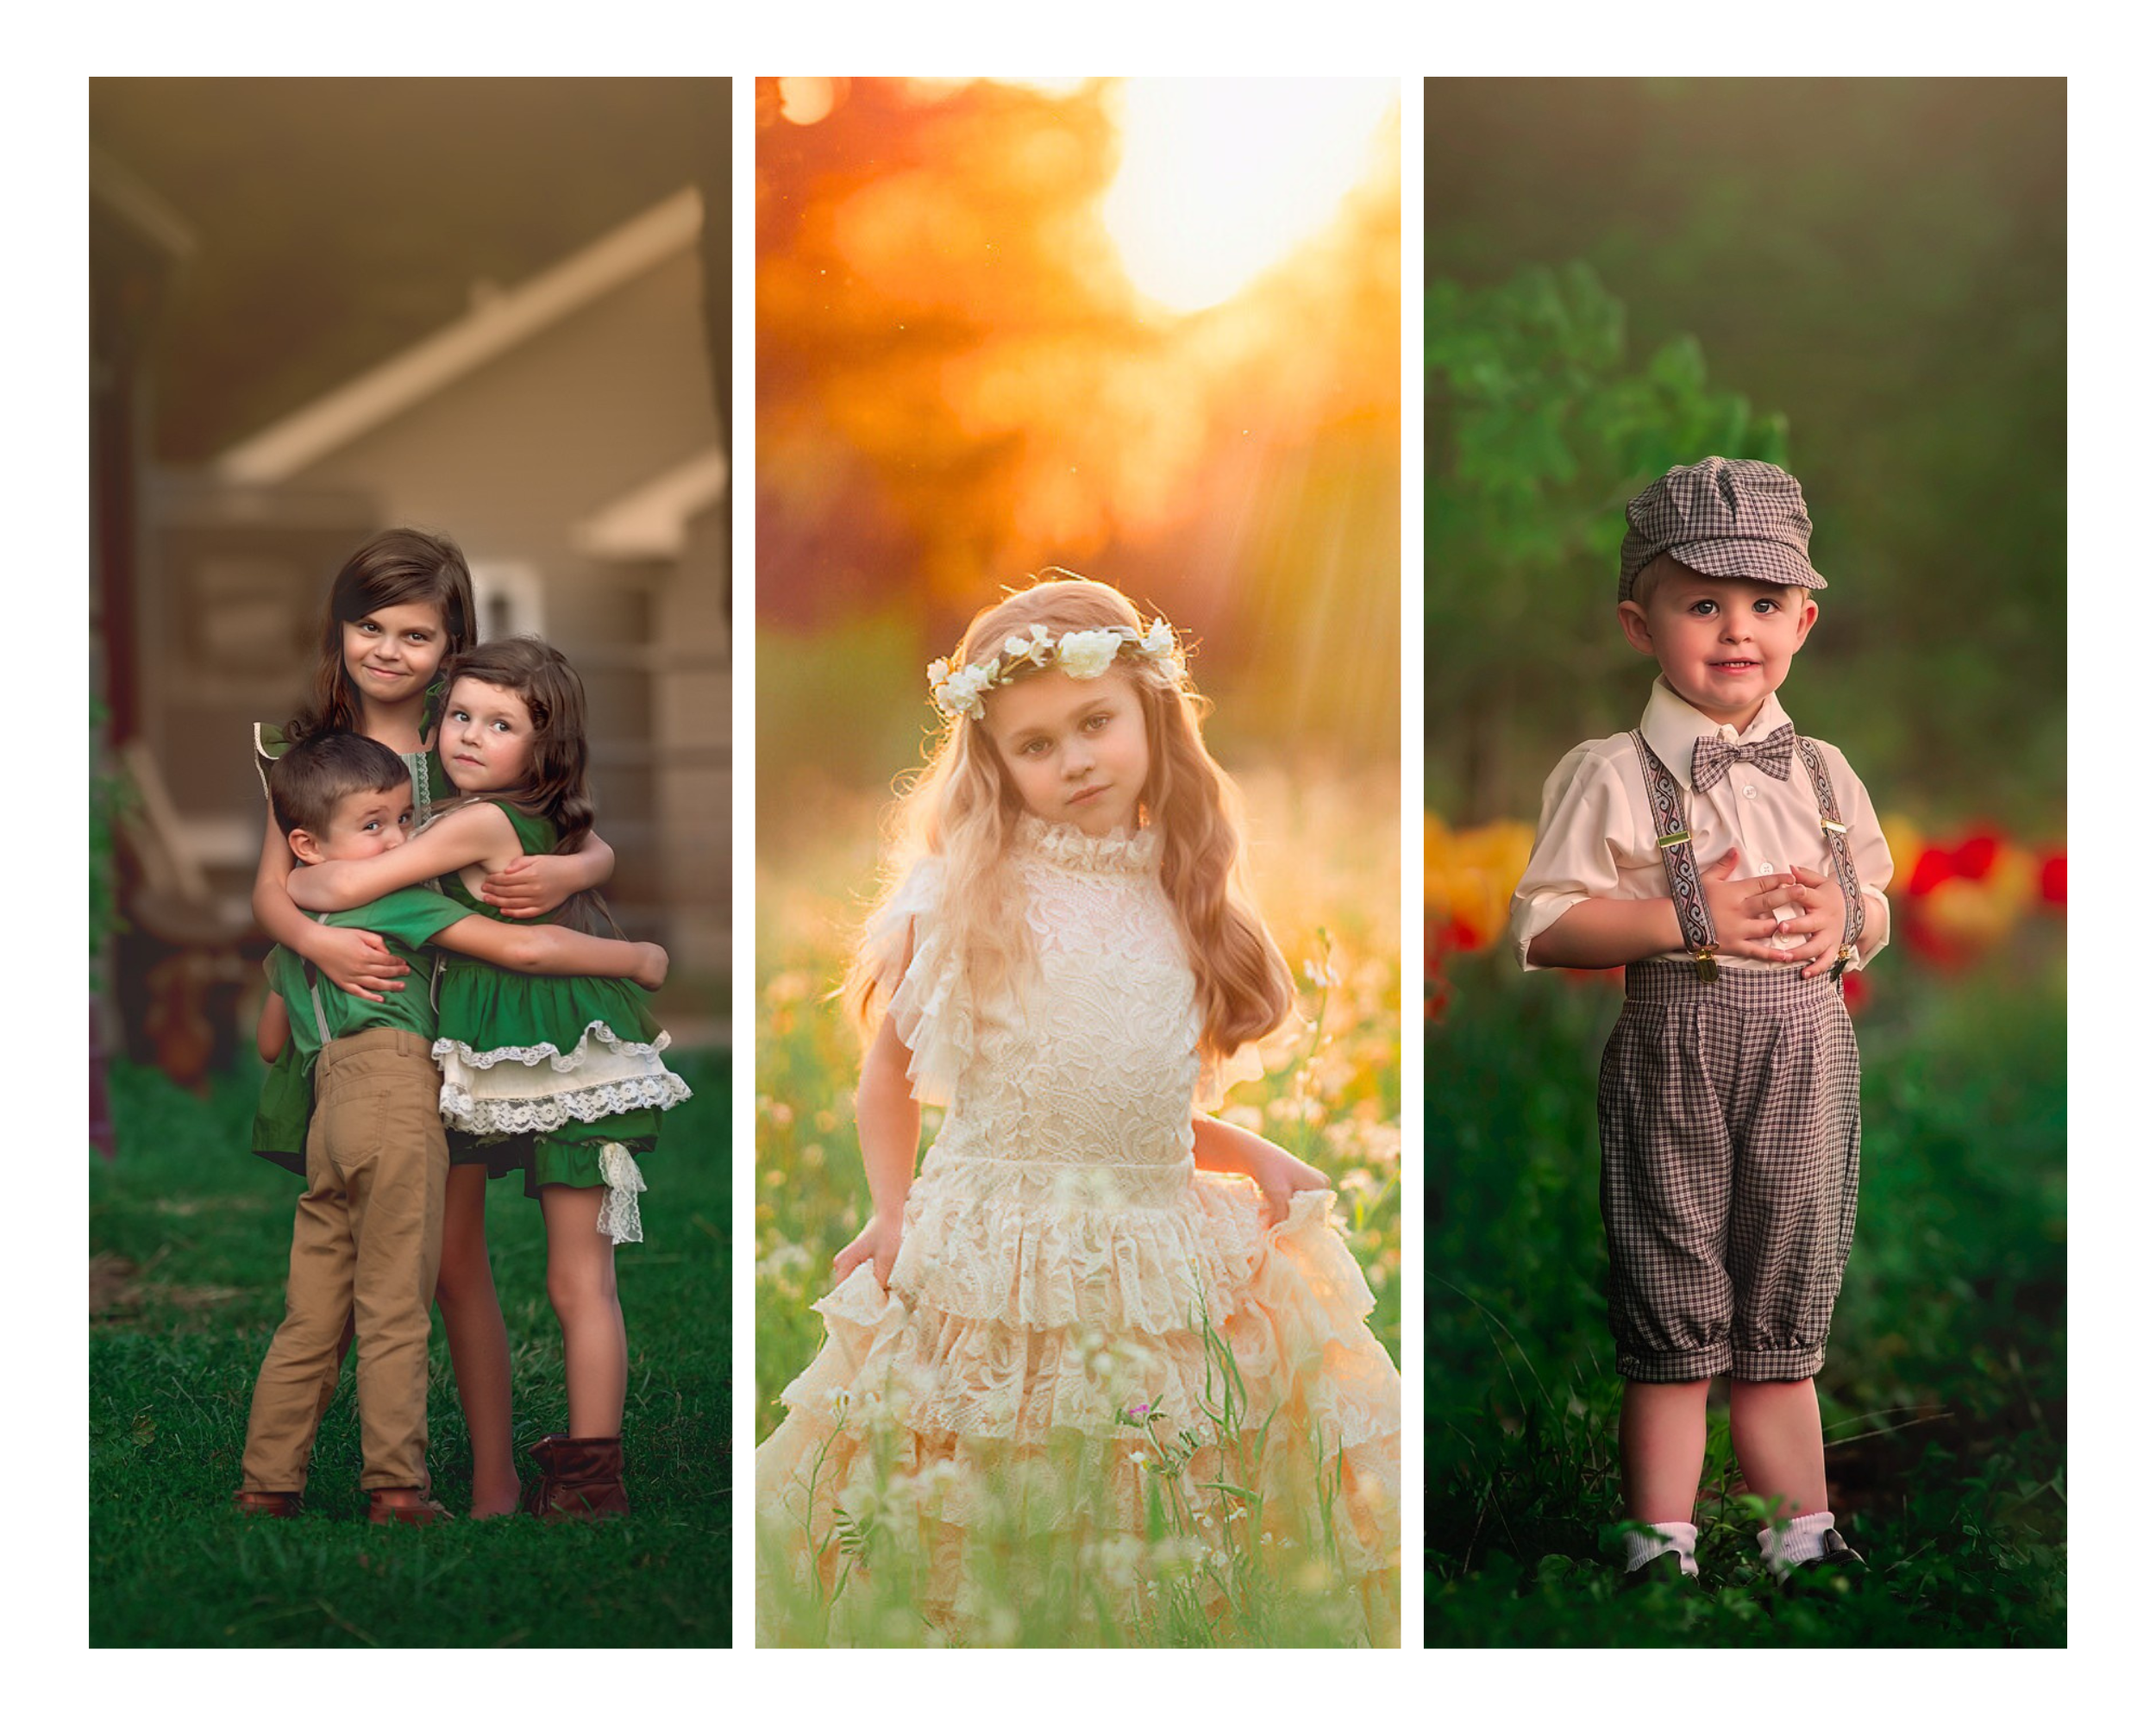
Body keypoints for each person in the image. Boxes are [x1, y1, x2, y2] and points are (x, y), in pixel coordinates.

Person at [755, 574, 1401, 1645]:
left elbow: (1127, 1104)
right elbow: (889, 1077)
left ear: (1150, 713)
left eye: (1095, 723)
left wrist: (1250, 1149)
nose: (1075, 760)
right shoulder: (967, 891)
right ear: (994, 761)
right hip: (993, 1238)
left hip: (1153, 1235)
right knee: (990, 1472)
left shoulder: (1183, 887)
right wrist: (890, 1209)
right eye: (1035, 744)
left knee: (1159, 1470)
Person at [1507, 457, 1892, 1586]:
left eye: (1764, 602)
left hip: (1803, 1052)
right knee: (1673, 1300)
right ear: (1642, 624)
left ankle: (1800, 1537)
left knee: (1782, 1305)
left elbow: (1874, 897)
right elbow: (1548, 925)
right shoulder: (1612, 773)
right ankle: (1656, 1547)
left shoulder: (1824, 772)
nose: (1737, 630)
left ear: (1803, 622)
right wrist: (1688, 914)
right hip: (1677, 1053)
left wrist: (1848, 918)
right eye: (1703, 603)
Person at [251, 527, 615, 1517]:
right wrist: (316, 945)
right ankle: (360, 1469)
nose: (387, 649)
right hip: (371, 1021)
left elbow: (579, 831)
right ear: (339, 628)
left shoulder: (466, 738)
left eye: (415, 634)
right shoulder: (312, 754)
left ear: (453, 642)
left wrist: (576, 869)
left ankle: (492, 1474)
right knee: (387, 1254)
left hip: (466, 1022)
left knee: (455, 1257)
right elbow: (276, 887)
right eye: (368, 626)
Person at [288, 637, 689, 1517]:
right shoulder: (512, 816)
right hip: (515, 1046)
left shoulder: (472, 822)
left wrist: (303, 881)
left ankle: (546, 1480)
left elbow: (345, 887)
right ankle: (567, 1480)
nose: (470, 735)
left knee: (548, 1276)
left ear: (545, 745)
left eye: (500, 724)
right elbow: (594, 851)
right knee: (558, 1277)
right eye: (461, 715)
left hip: (542, 1048)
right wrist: (592, 873)